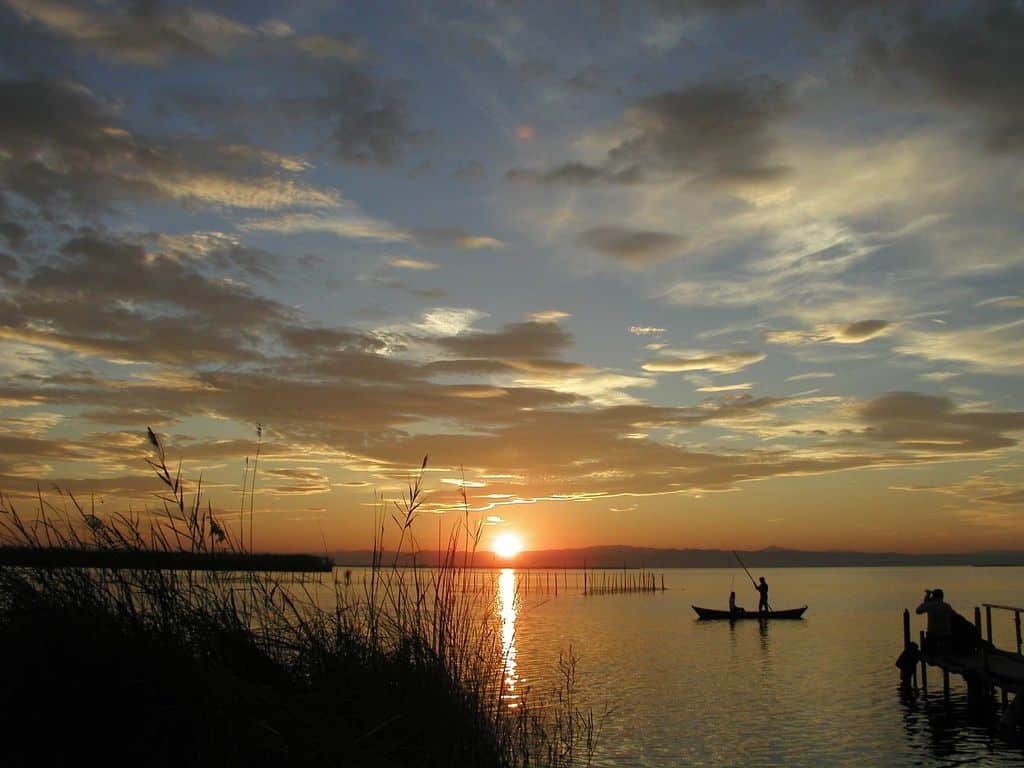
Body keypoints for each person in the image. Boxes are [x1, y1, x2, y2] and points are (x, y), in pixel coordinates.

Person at [916, 588, 953, 654]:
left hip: (933, 636)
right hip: (946, 636)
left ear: (934, 597)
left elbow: (918, 611)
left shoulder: (930, 605)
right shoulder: (947, 606)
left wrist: (927, 598)